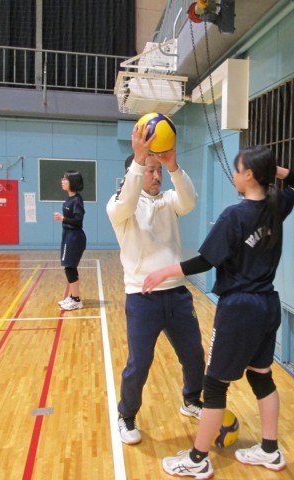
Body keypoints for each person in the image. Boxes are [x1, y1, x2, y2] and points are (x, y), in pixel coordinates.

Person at [142, 145, 294, 479]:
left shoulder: (235, 215)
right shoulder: (277, 205)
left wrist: (163, 272)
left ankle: (198, 459)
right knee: (261, 376)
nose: (234, 175)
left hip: (240, 308)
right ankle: (270, 451)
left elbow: (205, 261)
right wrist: (272, 170)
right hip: (268, 304)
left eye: (238, 169)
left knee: (214, 385)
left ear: (249, 175)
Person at [106, 124, 206, 446]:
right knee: (139, 363)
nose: (156, 175)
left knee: (194, 355)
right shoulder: (119, 207)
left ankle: (191, 400)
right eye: (150, 170)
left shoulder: (169, 201)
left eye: (158, 170)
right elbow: (125, 201)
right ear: (133, 174)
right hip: (142, 298)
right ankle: (126, 416)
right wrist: (139, 160)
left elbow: (190, 200)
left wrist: (173, 166)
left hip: (177, 294)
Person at [53, 170, 87, 311]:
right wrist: (63, 219)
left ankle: (77, 300)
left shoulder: (77, 200)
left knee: (69, 267)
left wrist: (63, 218)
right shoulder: (69, 199)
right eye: (62, 179)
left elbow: (78, 220)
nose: (62, 181)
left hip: (74, 236)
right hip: (67, 234)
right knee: (69, 267)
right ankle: (73, 297)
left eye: (65, 179)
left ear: (72, 182)